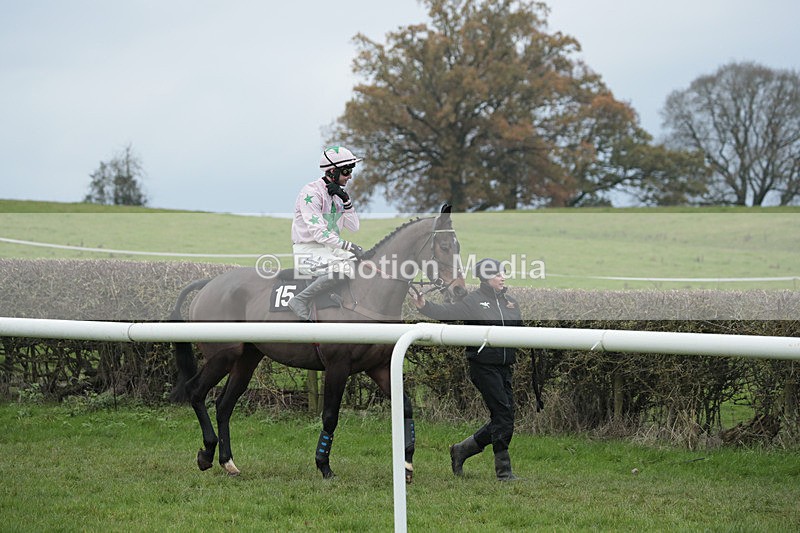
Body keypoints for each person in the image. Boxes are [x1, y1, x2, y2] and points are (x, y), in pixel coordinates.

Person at [411, 258, 523, 481]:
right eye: (497, 274)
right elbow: (447, 312)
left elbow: (520, 330)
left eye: (503, 273)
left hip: (505, 367)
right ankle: (503, 472)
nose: (503, 277)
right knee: (502, 415)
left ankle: (462, 450)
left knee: (505, 417)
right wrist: (424, 306)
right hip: (483, 367)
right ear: (485, 278)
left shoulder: (511, 302)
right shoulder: (473, 301)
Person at [288, 146, 366, 321]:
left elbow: (354, 227)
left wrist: (346, 200)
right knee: (343, 269)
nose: (350, 176)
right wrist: (349, 246)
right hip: (308, 250)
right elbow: (320, 234)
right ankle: (300, 300)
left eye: (351, 171)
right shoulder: (311, 193)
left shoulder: (338, 194)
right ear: (332, 171)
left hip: (329, 249)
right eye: (346, 171)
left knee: (361, 265)